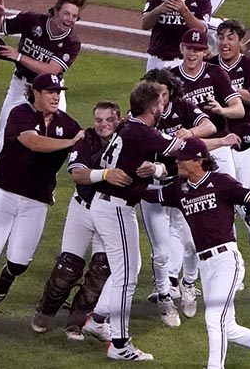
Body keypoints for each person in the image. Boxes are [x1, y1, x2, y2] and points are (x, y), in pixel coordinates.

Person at [147, 137, 250, 369]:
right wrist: (113, 182)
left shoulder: (221, 183)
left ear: (198, 161)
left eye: (182, 159)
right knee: (228, 327)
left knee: (213, 318)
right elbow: (150, 195)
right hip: (205, 266)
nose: (177, 162)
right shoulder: (179, 189)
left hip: (227, 260)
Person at [0, 73, 84, 337]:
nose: (56, 96)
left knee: (20, 262)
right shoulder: (19, 113)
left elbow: (86, 143)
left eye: (58, 92)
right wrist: (70, 143)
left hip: (36, 201)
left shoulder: (68, 124)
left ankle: (8, 276)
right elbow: (33, 142)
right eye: (50, 91)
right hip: (4, 192)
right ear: (35, 92)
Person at [81, 80, 182, 361]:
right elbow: (181, 149)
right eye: (160, 101)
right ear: (153, 107)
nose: (164, 104)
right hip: (115, 208)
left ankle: (98, 319)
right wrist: (220, 140)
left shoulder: (129, 126)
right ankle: (120, 344)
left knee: (130, 266)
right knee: (126, 278)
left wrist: (155, 169)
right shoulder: (142, 132)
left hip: (111, 205)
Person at [29, 100, 128, 341]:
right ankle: (46, 310)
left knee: (101, 272)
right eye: (99, 120)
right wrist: (106, 174)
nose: (104, 124)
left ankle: (76, 322)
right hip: (83, 210)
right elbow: (78, 174)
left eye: (109, 119)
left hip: (112, 213)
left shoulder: (130, 141)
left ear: (120, 119)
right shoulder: (87, 139)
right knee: (67, 269)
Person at [137, 68, 216, 326]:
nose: (159, 100)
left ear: (170, 92)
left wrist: (189, 133)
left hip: (181, 184)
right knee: (160, 252)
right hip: (154, 189)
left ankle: (188, 283)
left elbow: (209, 126)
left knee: (193, 244)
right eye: (154, 94)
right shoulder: (141, 117)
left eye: (163, 93)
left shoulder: (182, 107)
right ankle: (164, 297)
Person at [0, 0, 89, 169]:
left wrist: (19, 57)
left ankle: (46, 189)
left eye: (74, 16)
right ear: (55, 11)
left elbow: (51, 70)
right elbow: (0, 27)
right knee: (5, 134)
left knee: (54, 139)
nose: (70, 20)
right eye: (66, 14)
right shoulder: (31, 20)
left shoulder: (72, 42)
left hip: (51, 92)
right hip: (20, 86)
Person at [207, 19, 250, 282]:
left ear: (239, 42)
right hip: (218, 142)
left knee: (248, 202)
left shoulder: (249, 65)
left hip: (245, 142)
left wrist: (230, 92)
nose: (224, 42)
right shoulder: (210, 67)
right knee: (224, 201)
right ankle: (231, 267)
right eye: (221, 37)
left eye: (230, 37)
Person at [170, 29, 244, 177]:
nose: (192, 54)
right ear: (181, 48)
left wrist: (223, 111)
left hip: (217, 142)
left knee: (228, 187)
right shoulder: (171, 77)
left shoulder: (215, 73)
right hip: (187, 147)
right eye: (189, 48)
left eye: (197, 49)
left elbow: (239, 109)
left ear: (205, 52)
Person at [142, 0, 212, 70]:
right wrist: (159, 10)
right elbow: (145, 24)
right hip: (156, 60)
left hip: (181, 62)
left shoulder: (202, 1)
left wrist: (184, 12)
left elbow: (201, 30)